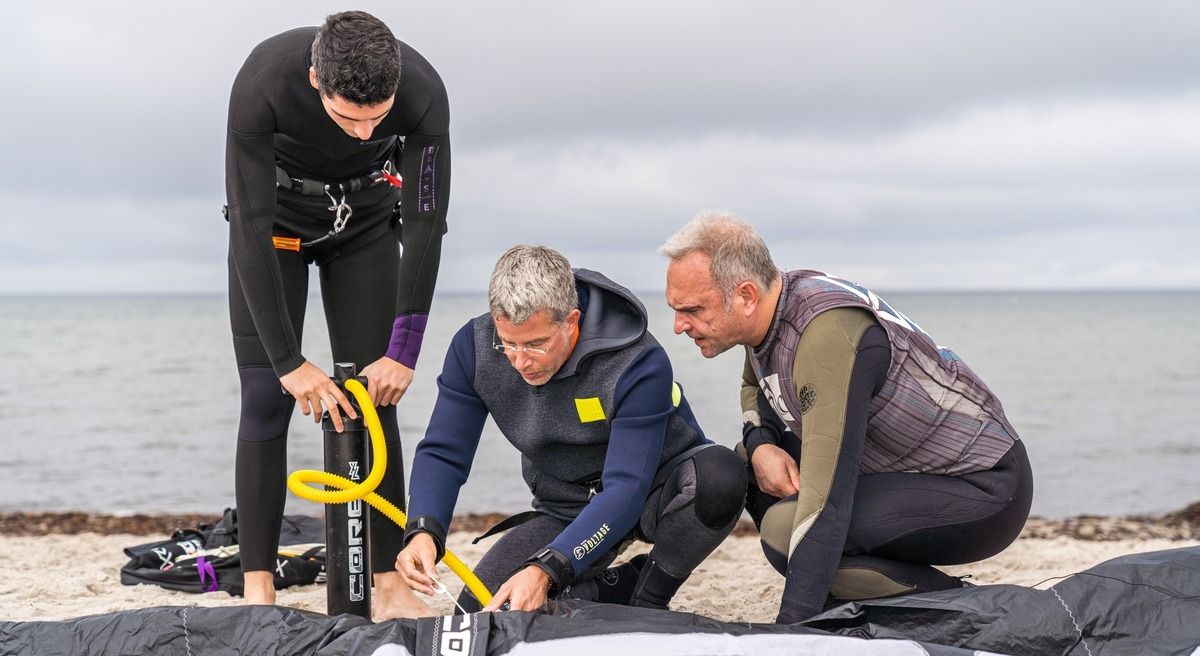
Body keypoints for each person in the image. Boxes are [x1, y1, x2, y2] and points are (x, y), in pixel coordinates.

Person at [661, 212, 1033, 623]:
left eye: (693, 309)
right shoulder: (773, 306)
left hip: (983, 486)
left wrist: (790, 633)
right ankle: (848, 592)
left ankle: (957, 601)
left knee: (787, 532)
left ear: (746, 296)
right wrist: (761, 442)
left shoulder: (825, 334)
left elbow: (826, 504)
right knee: (749, 467)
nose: (680, 326)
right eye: (676, 310)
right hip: (901, 469)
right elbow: (756, 386)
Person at [225, 11, 450, 618]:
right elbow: (246, 225)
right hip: (275, 225)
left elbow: (427, 224)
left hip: (366, 222)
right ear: (316, 79)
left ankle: (388, 579)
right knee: (266, 397)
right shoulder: (263, 80)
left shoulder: (424, 92)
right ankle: (259, 586)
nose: (363, 130)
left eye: (377, 118)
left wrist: (403, 351)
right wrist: (289, 362)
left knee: (375, 397)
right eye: (349, 115)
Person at [395, 245, 747, 612]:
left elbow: (627, 486)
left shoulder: (638, 361)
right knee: (479, 615)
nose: (520, 361)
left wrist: (547, 568)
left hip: (654, 490)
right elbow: (444, 451)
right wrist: (424, 531)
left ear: (572, 320)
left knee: (720, 477)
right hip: (566, 506)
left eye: (536, 344)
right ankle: (608, 588)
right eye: (508, 344)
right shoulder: (473, 348)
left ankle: (648, 594)